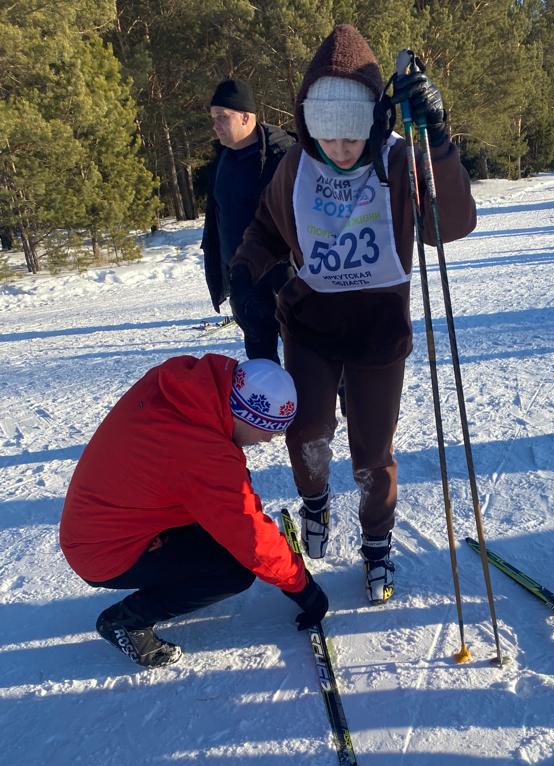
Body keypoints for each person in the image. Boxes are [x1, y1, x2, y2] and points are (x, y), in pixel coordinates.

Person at [229, 24, 476, 604]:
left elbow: (455, 224)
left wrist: (436, 139)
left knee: (373, 450)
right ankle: (314, 500)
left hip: (377, 329)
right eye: (328, 137)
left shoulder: (398, 160)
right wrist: (246, 270)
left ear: (374, 124)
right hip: (310, 325)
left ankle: (377, 542)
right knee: (307, 432)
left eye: (352, 137)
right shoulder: (296, 165)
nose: (341, 150)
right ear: (309, 126)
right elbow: (266, 226)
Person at [59, 355, 328, 668]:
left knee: (222, 529)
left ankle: (174, 570)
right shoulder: (202, 454)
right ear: (243, 416)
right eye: (268, 431)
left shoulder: (191, 390)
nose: (268, 439)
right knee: (233, 570)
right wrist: (302, 587)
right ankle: (127, 620)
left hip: (106, 519)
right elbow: (250, 537)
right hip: (106, 551)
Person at [202, 79, 294, 362]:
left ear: (246, 117)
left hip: (286, 275)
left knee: (307, 355)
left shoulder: (284, 154)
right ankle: (271, 407)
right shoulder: (222, 161)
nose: (215, 125)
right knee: (260, 362)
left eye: (222, 117)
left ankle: (332, 404)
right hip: (244, 280)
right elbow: (217, 223)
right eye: (213, 118)